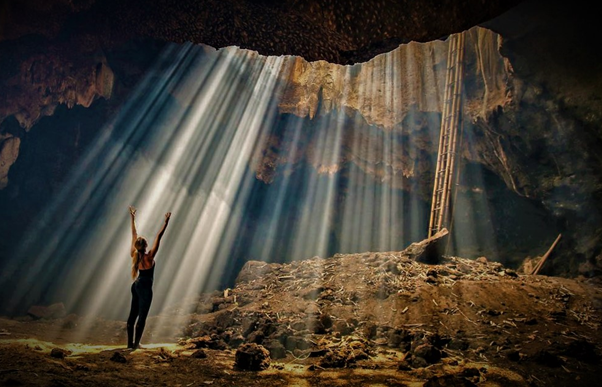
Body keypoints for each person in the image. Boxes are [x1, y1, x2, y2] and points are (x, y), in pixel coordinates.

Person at [127, 205, 171, 350]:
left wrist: (133, 218)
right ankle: (136, 345)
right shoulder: (149, 256)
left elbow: (134, 235)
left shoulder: (135, 256)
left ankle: (130, 344)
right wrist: (166, 222)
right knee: (142, 316)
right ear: (146, 246)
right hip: (145, 286)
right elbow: (159, 236)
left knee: (133, 313)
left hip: (136, 285)